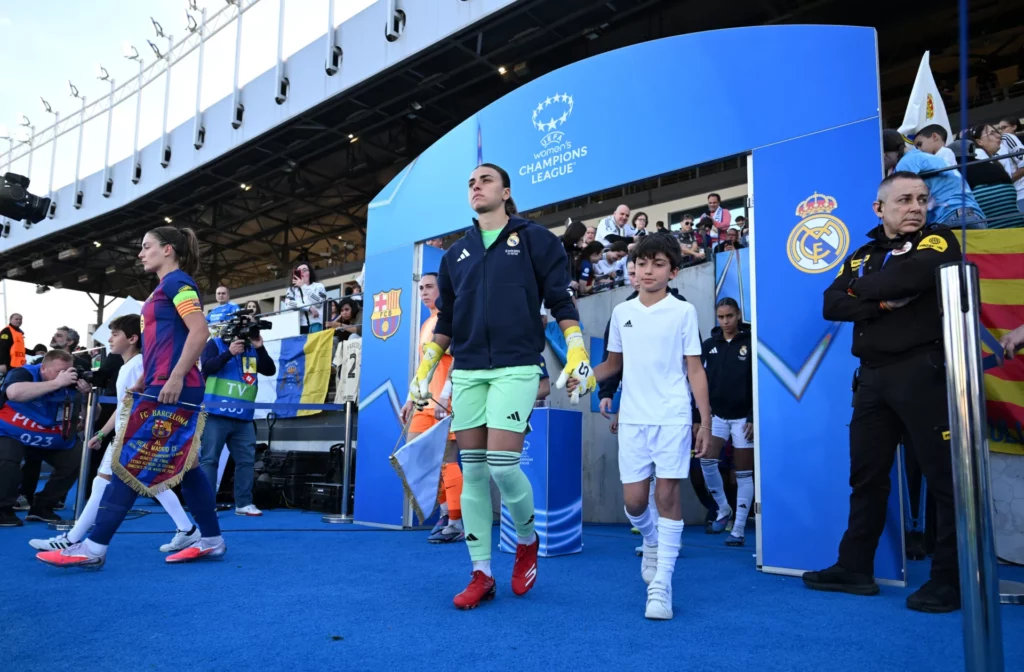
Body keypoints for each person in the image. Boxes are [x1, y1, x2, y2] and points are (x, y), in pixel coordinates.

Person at [412, 163, 595, 609]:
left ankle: (527, 541)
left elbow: (560, 299)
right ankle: (481, 573)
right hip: (469, 371)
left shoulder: (536, 239)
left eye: (485, 180)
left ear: (506, 191)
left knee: (501, 465)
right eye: (470, 181)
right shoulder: (455, 255)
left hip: (517, 367)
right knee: (472, 470)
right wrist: (425, 368)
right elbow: (448, 323)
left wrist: (577, 351)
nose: (475, 186)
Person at [803, 172, 963, 613]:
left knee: (944, 480)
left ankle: (950, 581)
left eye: (922, 199)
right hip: (871, 378)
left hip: (922, 371)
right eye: (904, 200)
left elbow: (916, 275)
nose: (916, 207)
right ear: (880, 209)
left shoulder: (939, 240)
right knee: (866, 477)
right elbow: (831, 303)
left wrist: (868, 290)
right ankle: (854, 568)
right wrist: (880, 301)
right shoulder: (861, 255)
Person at [37, 227, 225, 568]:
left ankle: (93, 548)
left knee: (130, 462)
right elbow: (162, 342)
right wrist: (142, 378)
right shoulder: (162, 289)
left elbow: (200, 331)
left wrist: (176, 376)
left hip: (174, 386)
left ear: (168, 250)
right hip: (160, 383)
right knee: (189, 465)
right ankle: (211, 540)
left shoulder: (177, 283)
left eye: (146, 246)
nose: (140, 253)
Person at [569, 233, 712, 620]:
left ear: (673, 271)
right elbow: (612, 364)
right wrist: (584, 380)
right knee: (634, 503)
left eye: (659, 264)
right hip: (632, 417)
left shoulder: (683, 312)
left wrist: (704, 419)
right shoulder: (621, 312)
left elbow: (694, 370)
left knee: (667, 495)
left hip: (672, 416)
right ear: (634, 269)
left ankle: (662, 585)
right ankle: (651, 540)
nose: (649, 271)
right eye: (643, 264)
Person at [29, 315, 199, 552]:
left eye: (115, 334)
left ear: (132, 338)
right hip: (128, 436)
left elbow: (139, 406)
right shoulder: (130, 366)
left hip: (132, 437)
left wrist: (122, 435)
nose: (109, 339)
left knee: (107, 482)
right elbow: (124, 405)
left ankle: (74, 539)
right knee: (148, 482)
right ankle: (187, 530)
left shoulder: (137, 365)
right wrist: (102, 433)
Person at [399, 272, 462, 544]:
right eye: (421, 287)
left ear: (443, 289)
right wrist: (411, 398)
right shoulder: (427, 323)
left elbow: (460, 360)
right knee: (419, 458)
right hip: (423, 404)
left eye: (429, 287)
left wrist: (448, 395)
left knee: (447, 460)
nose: (424, 292)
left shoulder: (452, 319)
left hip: (444, 403)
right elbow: (423, 367)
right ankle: (446, 513)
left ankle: (456, 522)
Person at [198, 314, 277, 517]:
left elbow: (269, 370)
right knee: (210, 459)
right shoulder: (215, 344)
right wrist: (229, 353)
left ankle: (243, 503)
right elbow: (206, 367)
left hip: (243, 416)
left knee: (246, 461)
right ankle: (206, 504)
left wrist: (259, 346)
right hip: (216, 413)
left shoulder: (251, 349)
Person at [0, 350, 90, 527]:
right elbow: (14, 393)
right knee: (7, 460)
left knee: (79, 456)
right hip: (12, 431)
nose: (66, 375)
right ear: (43, 368)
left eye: (68, 370)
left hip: (50, 435)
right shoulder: (24, 372)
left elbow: (91, 417)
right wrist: (57, 383)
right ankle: (3, 509)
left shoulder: (72, 382)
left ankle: (43, 506)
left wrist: (87, 396)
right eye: (59, 371)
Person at [700, 297, 754, 545]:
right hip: (717, 415)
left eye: (729, 316)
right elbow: (698, 382)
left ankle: (739, 529)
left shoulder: (751, 342)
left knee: (743, 473)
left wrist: (753, 417)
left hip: (744, 417)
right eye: (721, 317)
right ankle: (724, 509)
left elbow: (757, 382)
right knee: (706, 461)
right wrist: (699, 417)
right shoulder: (709, 344)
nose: (725, 322)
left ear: (738, 314)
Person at [283, 262, 327, 334]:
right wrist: (308, 308)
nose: (302, 272)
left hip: (316, 323)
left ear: (309, 273)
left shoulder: (318, 286)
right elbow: (288, 304)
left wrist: (303, 286)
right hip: (299, 325)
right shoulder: (292, 289)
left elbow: (319, 303)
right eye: (299, 271)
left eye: (304, 270)